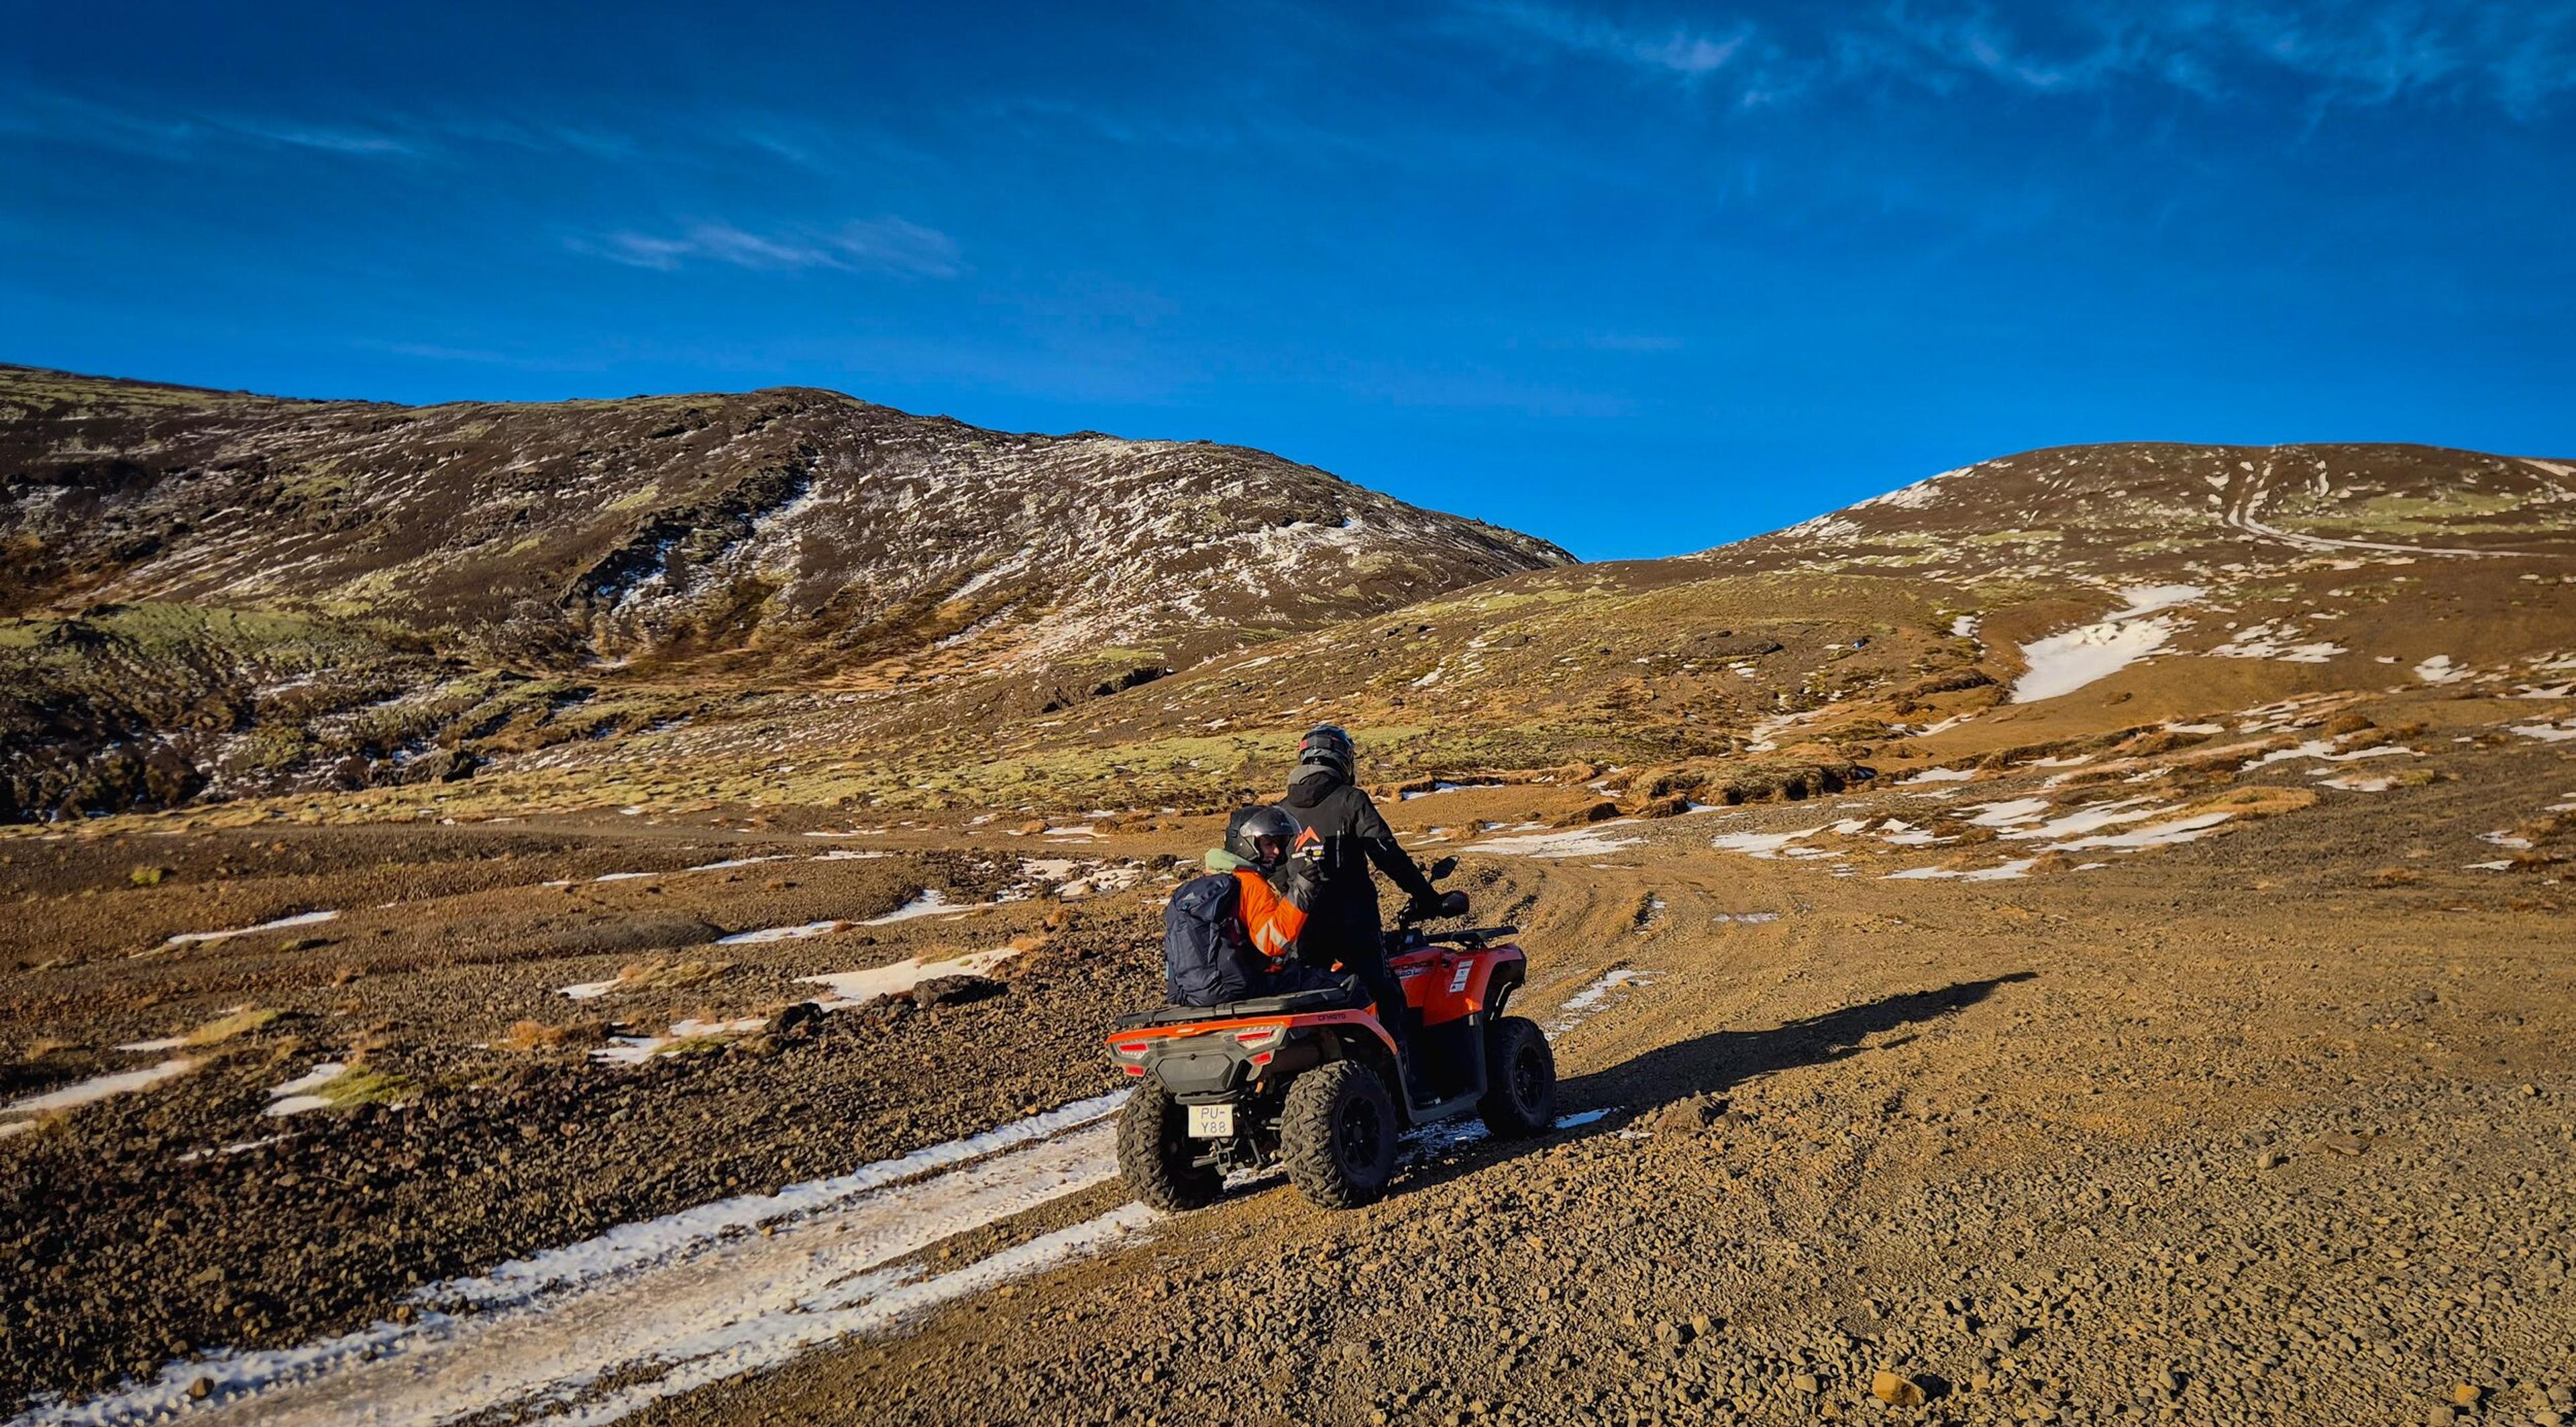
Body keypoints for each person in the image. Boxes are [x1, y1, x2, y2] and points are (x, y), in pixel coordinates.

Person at [1277, 725, 1446, 1097]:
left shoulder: (1281, 811)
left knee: (1312, 1003)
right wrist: (1427, 897)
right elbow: (1387, 855)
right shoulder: (1350, 799)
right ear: (1343, 759)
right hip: (1353, 924)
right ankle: (1402, 1088)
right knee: (1385, 995)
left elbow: (1273, 873)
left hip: (1300, 928)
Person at [1161, 805, 1352, 1008]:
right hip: (1245, 986)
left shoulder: (1204, 885)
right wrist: (1303, 891)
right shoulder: (1250, 883)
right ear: (1246, 844)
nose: (1277, 851)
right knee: (1349, 989)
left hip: (1191, 994)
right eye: (1269, 844)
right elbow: (1272, 942)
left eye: (1280, 844)